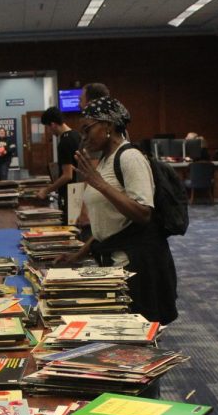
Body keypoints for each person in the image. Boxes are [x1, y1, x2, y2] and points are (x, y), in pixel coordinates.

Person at [61, 96, 179, 324]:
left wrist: (99, 184)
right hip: (114, 260)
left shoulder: (130, 158)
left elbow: (144, 213)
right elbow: (108, 221)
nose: (84, 137)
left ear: (108, 125)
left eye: (88, 129)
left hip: (135, 265)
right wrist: (79, 254)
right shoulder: (106, 159)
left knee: (138, 335)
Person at [39, 107, 81, 223]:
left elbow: (67, 175)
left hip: (70, 194)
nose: (48, 131)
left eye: (47, 127)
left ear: (52, 125)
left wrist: (46, 191)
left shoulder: (64, 142)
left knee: (69, 227)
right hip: (79, 191)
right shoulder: (76, 135)